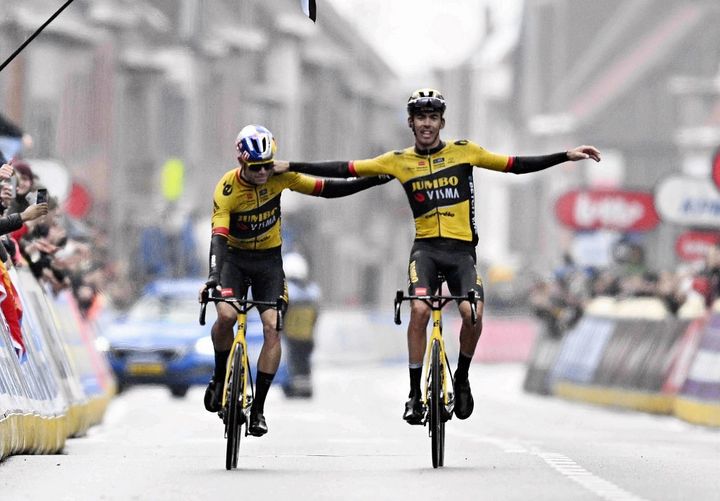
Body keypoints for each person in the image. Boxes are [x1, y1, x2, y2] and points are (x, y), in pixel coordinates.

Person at [274, 88, 601, 424]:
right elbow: (345, 169)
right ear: (411, 123)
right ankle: (415, 394)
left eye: (432, 117)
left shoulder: (465, 152)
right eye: (420, 118)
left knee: (472, 312)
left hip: (461, 253)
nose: (426, 124)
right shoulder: (398, 161)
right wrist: (291, 167)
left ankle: (461, 380)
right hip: (426, 252)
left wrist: (565, 155)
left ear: (441, 122)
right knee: (418, 309)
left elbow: (514, 165)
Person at [198, 124, 390, 437]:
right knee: (226, 316)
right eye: (255, 167)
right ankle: (220, 377)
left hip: (269, 263)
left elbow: (327, 188)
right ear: (241, 163)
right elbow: (218, 238)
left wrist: (370, 181)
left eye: (266, 165)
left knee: (273, 326)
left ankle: (258, 409)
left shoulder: (280, 176)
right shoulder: (227, 189)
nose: (262, 172)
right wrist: (213, 278)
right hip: (234, 260)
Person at [281, 251, 320, 398]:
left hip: (291, 334)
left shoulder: (287, 291)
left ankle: (295, 384)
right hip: (307, 335)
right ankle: (304, 384)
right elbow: (316, 315)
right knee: (304, 361)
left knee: (294, 359)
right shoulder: (313, 291)